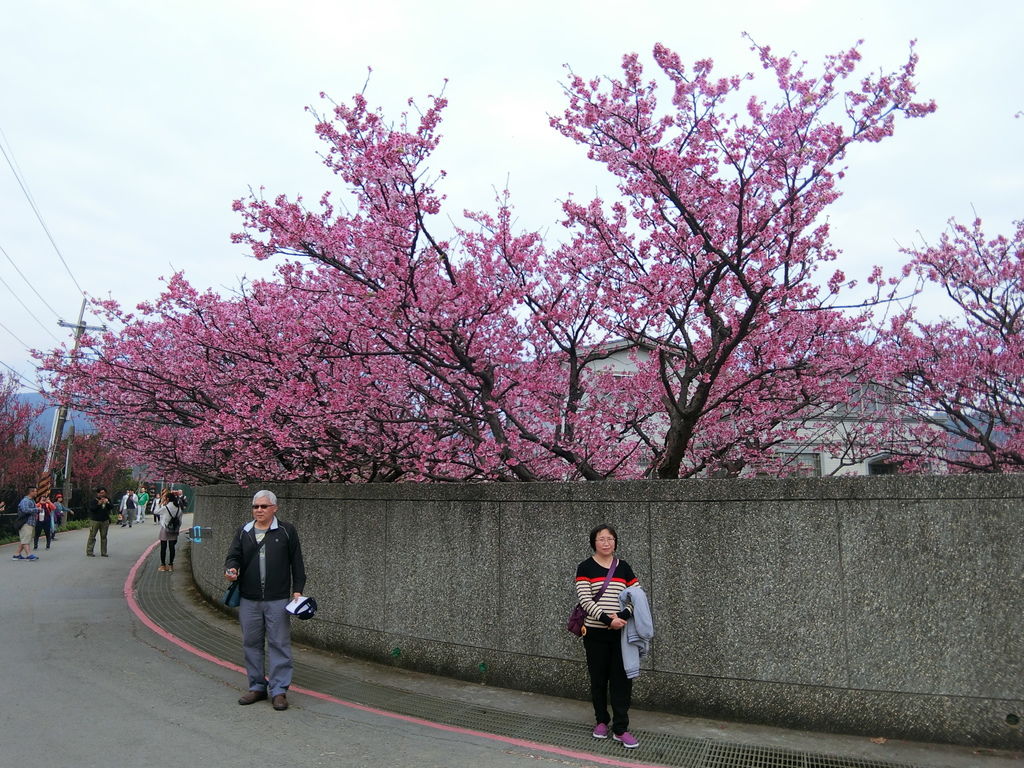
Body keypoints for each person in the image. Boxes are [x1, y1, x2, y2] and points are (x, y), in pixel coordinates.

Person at [224, 490, 306, 712]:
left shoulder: (286, 531)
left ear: (274, 508)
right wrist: (231, 569)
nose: (258, 510)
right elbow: (234, 556)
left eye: (263, 506)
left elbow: (297, 563)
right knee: (251, 643)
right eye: (255, 506)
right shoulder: (244, 531)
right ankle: (257, 686)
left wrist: (297, 590)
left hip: (277, 599)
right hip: (249, 599)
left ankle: (279, 690)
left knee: (279, 644)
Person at [574, 524, 640, 749]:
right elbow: (585, 600)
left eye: (610, 539)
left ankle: (621, 728)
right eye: (601, 539)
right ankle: (601, 720)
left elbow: (636, 596)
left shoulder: (624, 568)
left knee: (622, 681)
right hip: (594, 633)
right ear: (594, 542)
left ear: (615, 542)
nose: (606, 542)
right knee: (599, 679)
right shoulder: (585, 567)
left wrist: (621, 616)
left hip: (621, 634)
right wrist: (606, 619)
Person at [155, 490, 183, 572]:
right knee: (172, 547)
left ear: (167, 499)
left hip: (165, 529)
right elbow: (180, 521)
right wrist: (176, 528)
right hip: (174, 529)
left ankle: (163, 565)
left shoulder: (165, 508)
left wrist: (159, 503)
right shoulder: (178, 508)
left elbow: (155, 511)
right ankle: (171, 565)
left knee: (163, 547)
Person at [13, 487, 39, 561]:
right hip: (25, 523)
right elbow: (25, 510)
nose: (36, 493)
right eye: (35, 491)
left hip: (30, 523)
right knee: (25, 540)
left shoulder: (32, 500)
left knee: (25, 539)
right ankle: (29, 555)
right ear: (31, 492)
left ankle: (16, 554)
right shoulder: (25, 500)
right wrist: (36, 509)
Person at [86, 487, 114, 557]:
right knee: (92, 536)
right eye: (101, 493)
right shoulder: (94, 500)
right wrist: (98, 504)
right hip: (95, 520)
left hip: (105, 520)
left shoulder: (107, 499)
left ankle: (104, 552)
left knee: (104, 536)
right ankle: (89, 551)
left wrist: (107, 502)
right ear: (98, 493)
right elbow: (92, 509)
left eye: (104, 493)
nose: (102, 494)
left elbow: (111, 507)